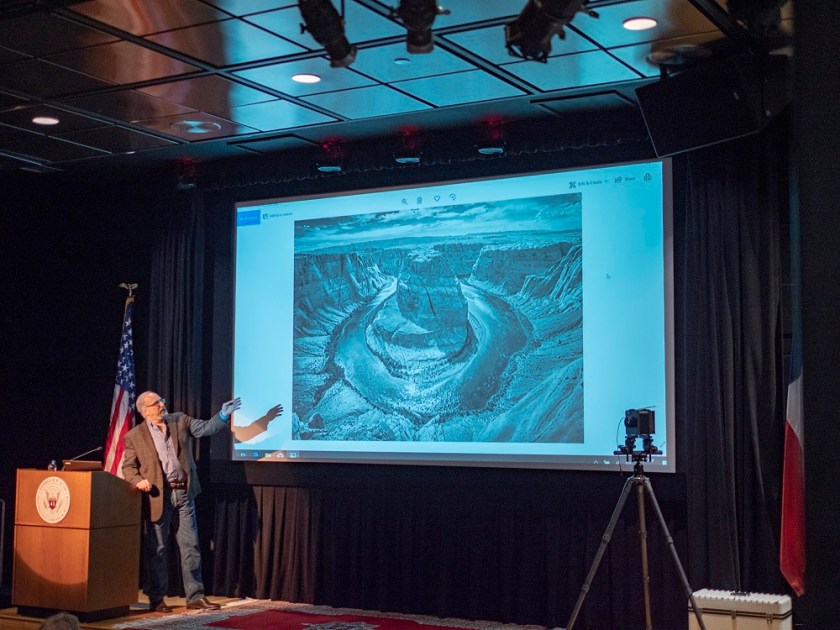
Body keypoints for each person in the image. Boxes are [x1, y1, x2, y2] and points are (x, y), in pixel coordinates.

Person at [122, 391, 241, 613]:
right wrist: (138, 480)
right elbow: (128, 467)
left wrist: (223, 415)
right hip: (158, 496)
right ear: (145, 411)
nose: (161, 405)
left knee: (191, 545)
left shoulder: (180, 420)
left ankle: (195, 596)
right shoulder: (134, 436)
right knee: (157, 549)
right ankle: (157, 598)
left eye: (161, 401)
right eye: (156, 403)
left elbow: (205, 428)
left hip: (184, 494)